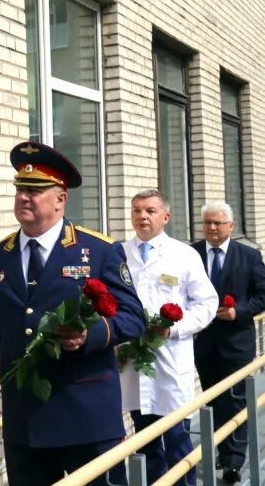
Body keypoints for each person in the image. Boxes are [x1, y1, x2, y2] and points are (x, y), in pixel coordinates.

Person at [0, 142, 145, 486]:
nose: (24, 197)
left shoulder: (98, 251)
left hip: (87, 419)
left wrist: (91, 335)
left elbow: (133, 316)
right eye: (20, 190)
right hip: (25, 423)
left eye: (35, 190)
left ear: (60, 199)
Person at [120, 190, 217, 486]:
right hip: (134, 363)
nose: (142, 216)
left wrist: (173, 328)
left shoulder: (184, 254)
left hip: (171, 361)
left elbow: (207, 303)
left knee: (178, 441)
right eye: (136, 210)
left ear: (166, 217)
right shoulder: (120, 253)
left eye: (149, 210)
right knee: (145, 442)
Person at [192, 201, 265, 484]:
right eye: (207, 223)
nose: (211, 228)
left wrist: (239, 311)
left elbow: (262, 294)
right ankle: (222, 449)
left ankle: (234, 461)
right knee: (213, 400)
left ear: (231, 226)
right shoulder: (192, 254)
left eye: (217, 223)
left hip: (236, 342)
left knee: (235, 400)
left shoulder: (248, 256)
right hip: (203, 343)